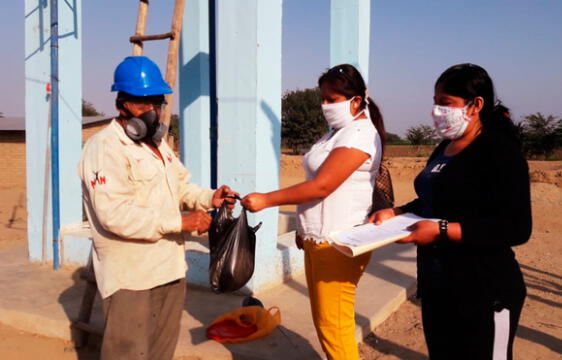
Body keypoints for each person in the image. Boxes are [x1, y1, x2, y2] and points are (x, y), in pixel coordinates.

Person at [78, 56, 237, 360]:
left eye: (158, 103)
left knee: (161, 353)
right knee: (128, 355)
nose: (153, 111)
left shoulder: (157, 145)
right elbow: (115, 216)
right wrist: (181, 223)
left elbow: (180, 187)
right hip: (131, 277)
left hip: (169, 269)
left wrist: (210, 198)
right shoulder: (103, 148)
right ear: (121, 104)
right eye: (143, 104)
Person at [369, 63, 532, 360]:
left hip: (485, 287)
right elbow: (433, 199)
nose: (436, 111)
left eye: (445, 103)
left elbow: (516, 227)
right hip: (439, 285)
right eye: (435, 102)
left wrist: (441, 230)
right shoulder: (445, 146)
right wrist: (397, 212)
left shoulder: (498, 150)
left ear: (475, 105)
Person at [241, 64, 385, 359]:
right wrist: (304, 229)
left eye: (332, 99)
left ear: (356, 100)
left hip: (339, 242)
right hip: (320, 239)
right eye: (323, 98)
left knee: (335, 327)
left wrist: (267, 200)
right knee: (327, 323)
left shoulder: (359, 134)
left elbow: (322, 187)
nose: (324, 105)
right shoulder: (335, 133)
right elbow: (314, 188)